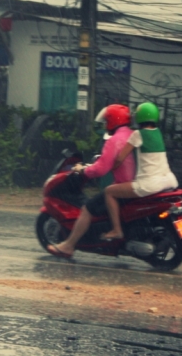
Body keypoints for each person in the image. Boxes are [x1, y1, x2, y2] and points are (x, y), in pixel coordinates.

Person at [46, 104, 135, 259]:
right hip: (135, 184)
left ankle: (68, 246)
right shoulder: (131, 135)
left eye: (107, 121)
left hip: (123, 188)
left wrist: (83, 170)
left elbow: (100, 170)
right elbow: (111, 161)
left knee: (88, 209)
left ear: (113, 121)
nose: (105, 125)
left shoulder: (114, 140)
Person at [101, 102, 178, 241]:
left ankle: (117, 230)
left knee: (109, 192)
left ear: (138, 117)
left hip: (149, 184)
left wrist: (109, 167)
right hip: (168, 181)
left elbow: (120, 158)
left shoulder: (137, 134)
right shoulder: (158, 132)